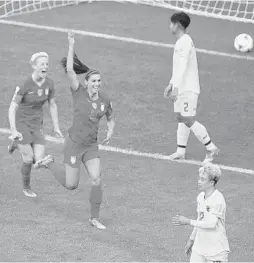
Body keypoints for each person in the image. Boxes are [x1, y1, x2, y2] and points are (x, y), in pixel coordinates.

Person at [36, 31, 115, 230]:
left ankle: (94, 218)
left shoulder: (105, 100)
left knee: (97, 178)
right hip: (74, 145)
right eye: (93, 81)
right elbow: (70, 70)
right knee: (71, 185)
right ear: (87, 82)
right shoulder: (78, 92)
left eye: (99, 81)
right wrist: (71, 44)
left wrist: (110, 131)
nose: (97, 84)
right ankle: (50, 163)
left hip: (90, 146)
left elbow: (110, 117)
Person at [164, 12, 219, 162]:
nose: (170, 26)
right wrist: (171, 83)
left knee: (188, 119)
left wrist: (175, 87)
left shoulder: (185, 42)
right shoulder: (181, 41)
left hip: (187, 88)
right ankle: (180, 151)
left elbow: (182, 67)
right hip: (181, 87)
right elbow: (178, 68)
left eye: (171, 23)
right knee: (181, 118)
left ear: (178, 25)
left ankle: (211, 148)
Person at [8, 52, 63, 198]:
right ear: (33, 66)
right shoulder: (25, 84)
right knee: (27, 159)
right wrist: (13, 130)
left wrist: (56, 127)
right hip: (21, 124)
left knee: (37, 159)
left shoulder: (49, 84)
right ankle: (26, 187)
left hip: (37, 125)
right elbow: (13, 107)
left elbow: (52, 104)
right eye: (42, 64)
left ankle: (16, 145)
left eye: (47, 64)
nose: (45, 66)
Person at [172, 162, 230, 262]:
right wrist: (191, 239)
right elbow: (200, 219)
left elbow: (211, 224)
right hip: (199, 248)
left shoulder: (218, 200)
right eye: (199, 178)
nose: (199, 181)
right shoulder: (200, 197)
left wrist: (188, 221)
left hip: (216, 250)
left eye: (202, 179)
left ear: (212, 182)